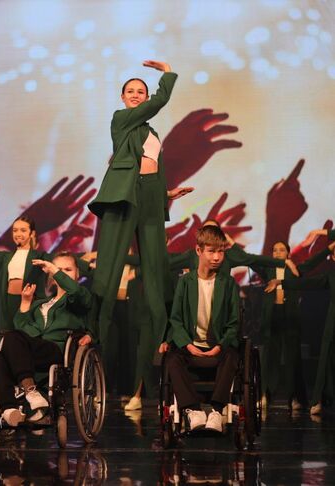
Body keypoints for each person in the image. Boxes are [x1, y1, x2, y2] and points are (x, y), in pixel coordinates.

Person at [88, 61, 193, 410]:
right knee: (109, 268)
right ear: (123, 97)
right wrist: (168, 74)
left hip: (150, 197)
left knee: (157, 271)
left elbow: (152, 168)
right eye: (131, 91)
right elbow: (159, 102)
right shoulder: (122, 119)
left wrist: (166, 194)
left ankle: (165, 336)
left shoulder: (151, 131)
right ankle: (93, 329)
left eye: (140, 92)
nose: (135, 95)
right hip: (123, 196)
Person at [0, 252, 94, 426]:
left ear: (77, 274)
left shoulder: (79, 299)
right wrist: (25, 303)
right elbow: (23, 331)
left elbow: (75, 291)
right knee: (1, 356)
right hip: (31, 351)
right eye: (58, 269)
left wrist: (54, 269)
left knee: (11, 339)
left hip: (55, 350)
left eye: (67, 269)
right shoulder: (41, 303)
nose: (61, 272)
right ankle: (9, 409)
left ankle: (29, 390)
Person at [159, 226, 240, 433]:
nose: (217, 257)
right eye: (211, 251)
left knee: (232, 355)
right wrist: (187, 344)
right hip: (191, 346)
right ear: (198, 250)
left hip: (218, 348)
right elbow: (176, 319)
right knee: (172, 359)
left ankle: (216, 411)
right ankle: (193, 410)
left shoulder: (228, 283)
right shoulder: (185, 282)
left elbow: (233, 323)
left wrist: (220, 346)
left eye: (221, 251)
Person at [253, 239, 334, 411]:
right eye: (275, 250)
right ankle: (265, 394)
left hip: (290, 316)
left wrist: (329, 248)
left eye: (282, 250)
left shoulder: (295, 269)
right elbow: (251, 260)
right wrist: (229, 242)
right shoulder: (268, 270)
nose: (277, 253)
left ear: (288, 253)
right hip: (272, 316)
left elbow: (314, 261)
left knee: (292, 358)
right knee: (269, 358)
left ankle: (294, 397)